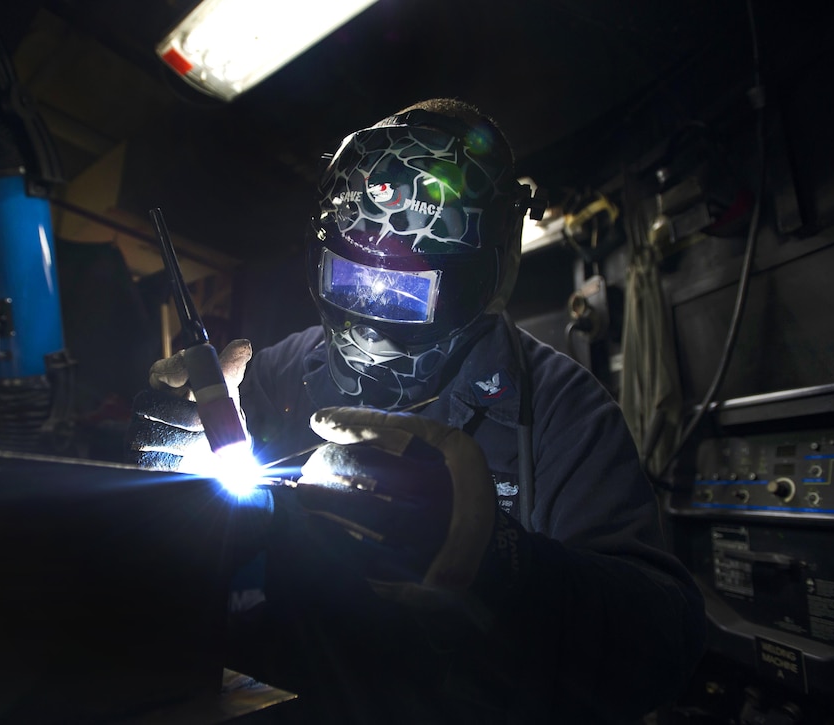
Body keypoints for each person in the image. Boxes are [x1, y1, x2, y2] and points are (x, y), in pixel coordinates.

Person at [128, 98, 705, 723]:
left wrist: (498, 559)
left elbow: (664, 650)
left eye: (405, 292)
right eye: (348, 278)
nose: (370, 323)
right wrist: (169, 466)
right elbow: (198, 561)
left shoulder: (561, 405)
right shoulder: (276, 374)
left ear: (486, 279)